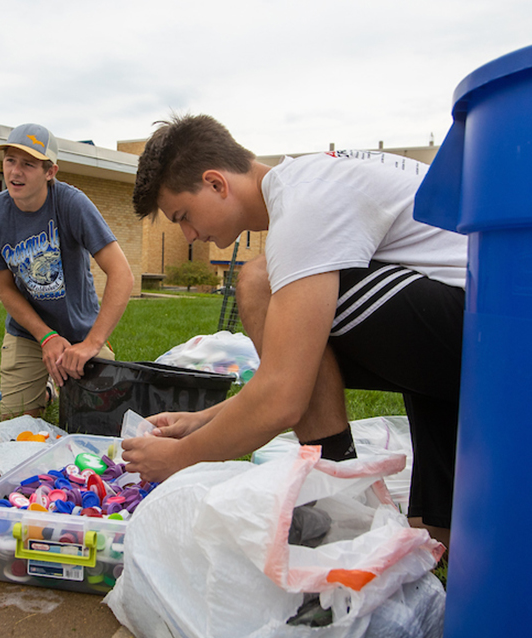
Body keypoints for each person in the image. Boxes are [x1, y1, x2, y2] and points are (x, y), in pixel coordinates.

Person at [121, 115, 466, 546]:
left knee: (261, 281)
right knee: (296, 310)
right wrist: (202, 422)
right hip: (487, 327)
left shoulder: (303, 206)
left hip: (492, 332)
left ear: (215, 183)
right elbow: (283, 376)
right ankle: (445, 523)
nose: (190, 234)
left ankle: (340, 506)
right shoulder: (312, 182)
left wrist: (178, 457)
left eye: (184, 216)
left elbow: (283, 398)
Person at [0, 123, 134, 420]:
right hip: (28, 333)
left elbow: (122, 274)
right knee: (16, 424)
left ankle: (58, 383)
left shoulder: (72, 204)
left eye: (28, 164)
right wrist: (45, 337)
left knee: (101, 420)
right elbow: (6, 290)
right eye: (10, 160)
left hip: (81, 331)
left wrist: (92, 343)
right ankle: (47, 390)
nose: (15, 172)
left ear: (50, 172)